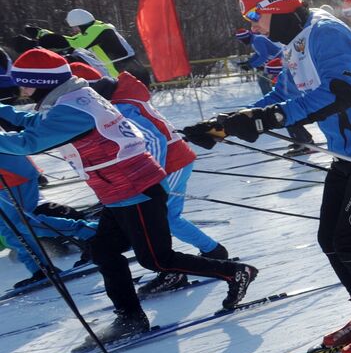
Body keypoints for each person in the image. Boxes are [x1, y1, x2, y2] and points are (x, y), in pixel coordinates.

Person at [184, 0, 351, 353]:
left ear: (275, 7)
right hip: (348, 152)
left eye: (254, 16)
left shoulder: (325, 33)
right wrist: (233, 120)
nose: (251, 26)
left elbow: (336, 94)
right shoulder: (296, 42)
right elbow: (286, 93)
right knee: (329, 239)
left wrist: (264, 119)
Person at [0, 49, 254, 336]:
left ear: (43, 83)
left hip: (136, 190)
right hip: (119, 192)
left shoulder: (73, 110)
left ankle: (234, 272)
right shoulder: (70, 99)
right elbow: (35, 124)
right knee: (104, 251)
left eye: (25, 83)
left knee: (156, 259)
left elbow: (28, 142)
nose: (21, 89)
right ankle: (130, 317)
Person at [83, 62, 232, 294]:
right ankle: (212, 253)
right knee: (168, 218)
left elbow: (154, 140)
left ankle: (179, 267)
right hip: (175, 161)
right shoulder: (121, 100)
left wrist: (153, 175)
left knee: (161, 220)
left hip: (170, 164)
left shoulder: (120, 107)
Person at [0, 150, 97, 288]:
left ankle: (93, 231)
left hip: (12, 175)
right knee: (7, 228)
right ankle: (40, 269)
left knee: (22, 223)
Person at [63, 9, 149, 82]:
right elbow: (74, 39)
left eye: (75, 27)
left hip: (130, 73)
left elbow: (76, 43)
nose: (74, 31)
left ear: (80, 24)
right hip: (126, 72)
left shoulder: (98, 30)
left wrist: (51, 37)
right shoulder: (97, 29)